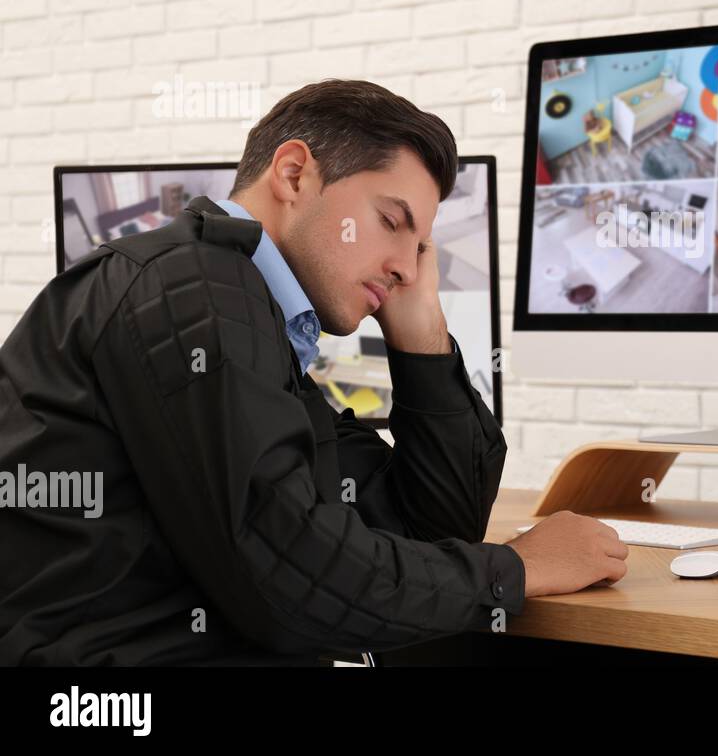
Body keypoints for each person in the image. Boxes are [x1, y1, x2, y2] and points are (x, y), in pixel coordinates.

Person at [0, 79, 628, 665]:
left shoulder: (246, 313)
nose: (407, 268)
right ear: (294, 174)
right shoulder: (195, 286)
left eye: (420, 247)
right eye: (391, 222)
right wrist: (515, 569)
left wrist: (421, 335)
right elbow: (294, 584)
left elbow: (428, 530)